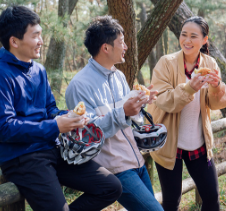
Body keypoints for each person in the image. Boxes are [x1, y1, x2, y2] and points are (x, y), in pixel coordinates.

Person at [0, 6, 122, 211]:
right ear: (14, 41)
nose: (41, 41)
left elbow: (50, 110)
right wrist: (55, 126)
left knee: (111, 187)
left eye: (41, 34)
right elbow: (3, 129)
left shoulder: (38, 70)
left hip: (52, 149)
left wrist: (69, 116)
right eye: (36, 35)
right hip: (22, 158)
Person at [65, 15, 163, 211]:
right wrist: (123, 112)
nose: (125, 46)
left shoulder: (118, 76)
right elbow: (87, 134)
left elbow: (126, 117)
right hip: (115, 167)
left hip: (135, 158)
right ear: (106, 48)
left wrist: (140, 101)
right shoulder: (79, 85)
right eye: (122, 42)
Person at [147, 16, 226, 211]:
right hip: (170, 144)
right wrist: (189, 88)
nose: (187, 40)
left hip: (198, 142)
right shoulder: (166, 63)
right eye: (184, 35)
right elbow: (164, 101)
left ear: (204, 39)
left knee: (211, 197)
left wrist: (217, 86)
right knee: (171, 201)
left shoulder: (210, 64)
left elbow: (216, 103)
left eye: (194, 36)